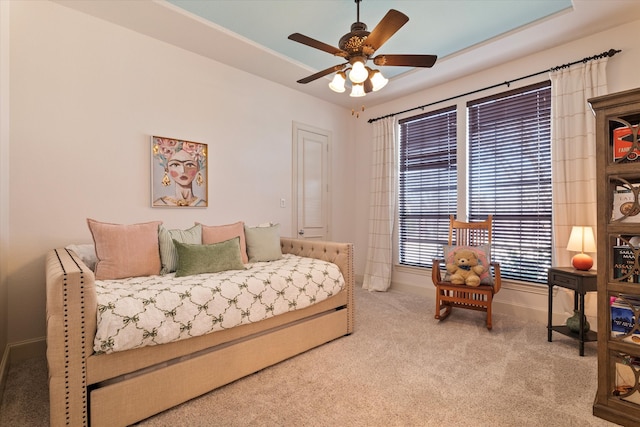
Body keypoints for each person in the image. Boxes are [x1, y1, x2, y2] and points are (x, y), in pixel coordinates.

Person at [153, 138, 207, 207]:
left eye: (189, 165)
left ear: (198, 168)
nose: (183, 171)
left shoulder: (202, 204)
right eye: (175, 165)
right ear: (167, 168)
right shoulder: (160, 203)